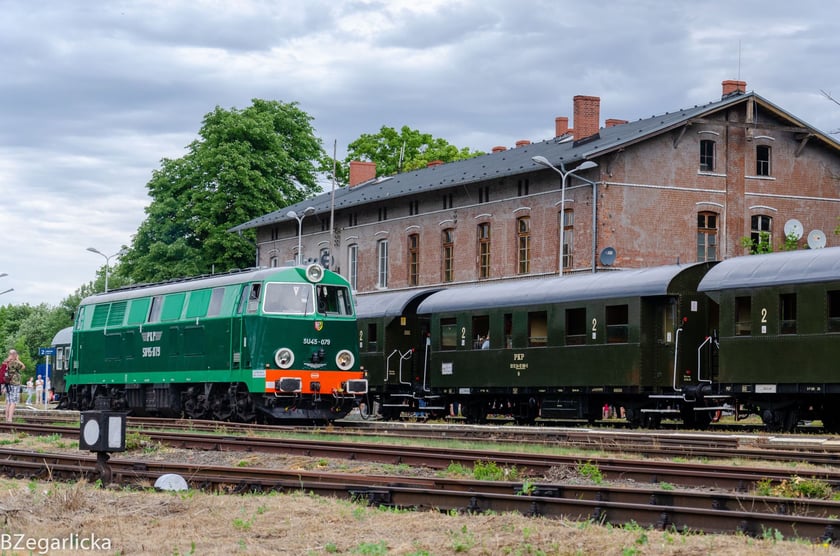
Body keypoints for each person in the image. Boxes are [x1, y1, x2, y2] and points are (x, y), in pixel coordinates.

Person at [3, 349, 25, 422]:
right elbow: (23, 367)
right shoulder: (14, 362)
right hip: (14, 384)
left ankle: (6, 417)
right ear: (15, 355)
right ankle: (10, 418)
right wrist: (17, 359)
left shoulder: (5, 362)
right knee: (13, 401)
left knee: (8, 401)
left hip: (7, 384)